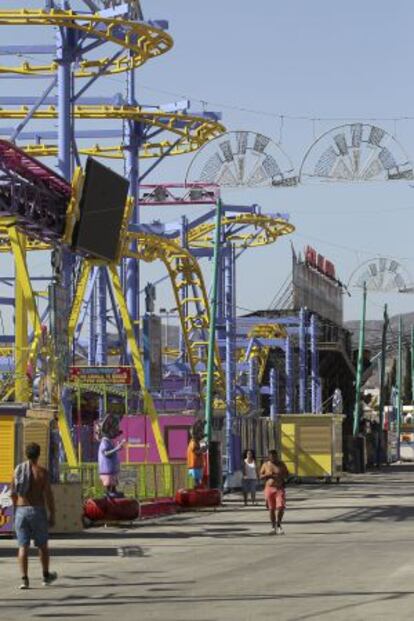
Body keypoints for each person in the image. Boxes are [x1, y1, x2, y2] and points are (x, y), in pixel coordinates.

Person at [10, 442, 57, 590]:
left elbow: (12, 493)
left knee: (22, 546)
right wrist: (53, 513)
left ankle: (24, 580)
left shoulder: (17, 470)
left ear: (26, 454)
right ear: (39, 454)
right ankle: (45, 576)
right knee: (42, 546)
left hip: (21, 510)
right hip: (38, 510)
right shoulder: (42, 472)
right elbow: (48, 496)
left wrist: (16, 507)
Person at [260, 449, 288, 535]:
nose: (273, 458)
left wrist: (281, 475)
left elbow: (287, 474)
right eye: (271, 456)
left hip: (279, 488)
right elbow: (260, 476)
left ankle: (279, 525)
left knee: (281, 507)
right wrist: (267, 475)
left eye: (275, 456)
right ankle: (273, 527)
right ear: (269, 457)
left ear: (277, 456)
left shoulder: (281, 464)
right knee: (271, 509)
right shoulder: (265, 464)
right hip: (269, 488)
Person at [98, 414, 126, 497]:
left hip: (112, 468)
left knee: (113, 480)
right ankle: (108, 491)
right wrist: (117, 448)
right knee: (108, 480)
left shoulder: (109, 441)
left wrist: (117, 448)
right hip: (107, 468)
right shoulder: (104, 442)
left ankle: (113, 490)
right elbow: (105, 453)